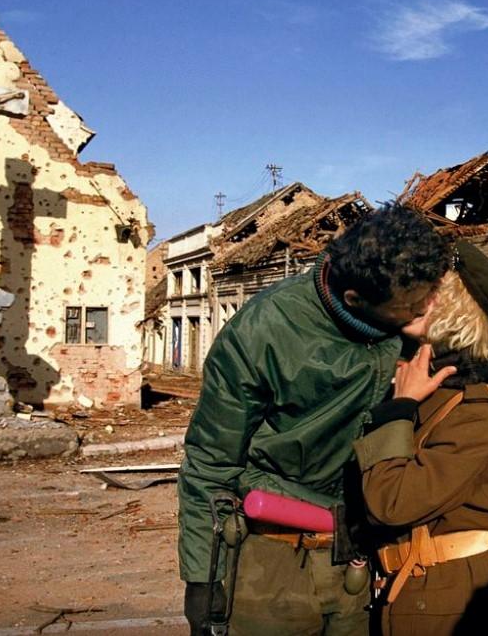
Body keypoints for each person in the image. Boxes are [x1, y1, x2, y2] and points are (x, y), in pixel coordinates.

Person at [178, 205, 451, 636]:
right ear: (355, 301)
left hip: (356, 559)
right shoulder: (262, 331)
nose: (430, 308)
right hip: (270, 562)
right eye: (414, 305)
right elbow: (211, 461)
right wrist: (203, 580)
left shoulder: (407, 317)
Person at [353, 240, 488, 636]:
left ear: (457, 308)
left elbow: (391, 502)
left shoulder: (476, 404)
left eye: (431, 292)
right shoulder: (429, 385)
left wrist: (398, 409)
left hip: (446, 597)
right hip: (414, 585)